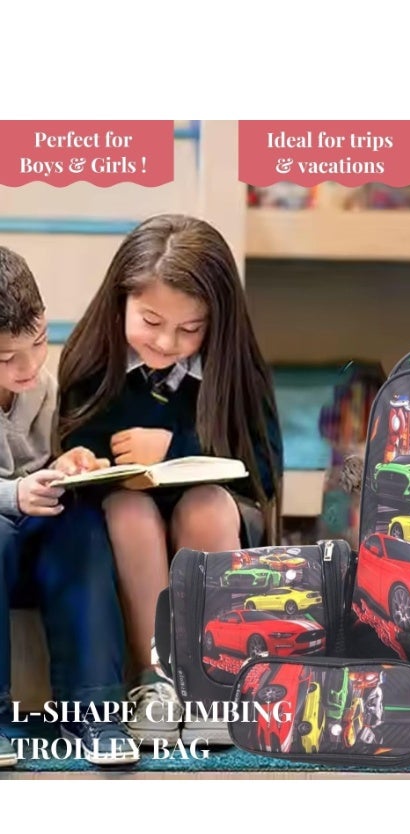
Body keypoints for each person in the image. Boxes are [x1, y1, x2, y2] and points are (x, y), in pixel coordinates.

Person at [55, 214, 284, 745]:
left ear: (216, 322)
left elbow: (264, 470)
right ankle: (154, 681)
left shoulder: (236, 370)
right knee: (128, 510)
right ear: (121, 301)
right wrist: (80, 462)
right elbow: (74, 444)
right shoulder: (92, 362)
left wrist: (175, 449)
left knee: (204, 505)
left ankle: (215, 681)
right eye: (151, 320)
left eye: (189, 329)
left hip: (217, 518)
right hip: (124, 520)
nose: (164, 342)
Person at [0, 246, 138, 767]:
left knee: (80, 524)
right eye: (6, 358)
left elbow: (41, 462)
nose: (30, 366)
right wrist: (15, 494)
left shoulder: (41, 387)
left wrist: (67, 462)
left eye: (38, 343)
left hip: (35, 539)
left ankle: (94, 710)